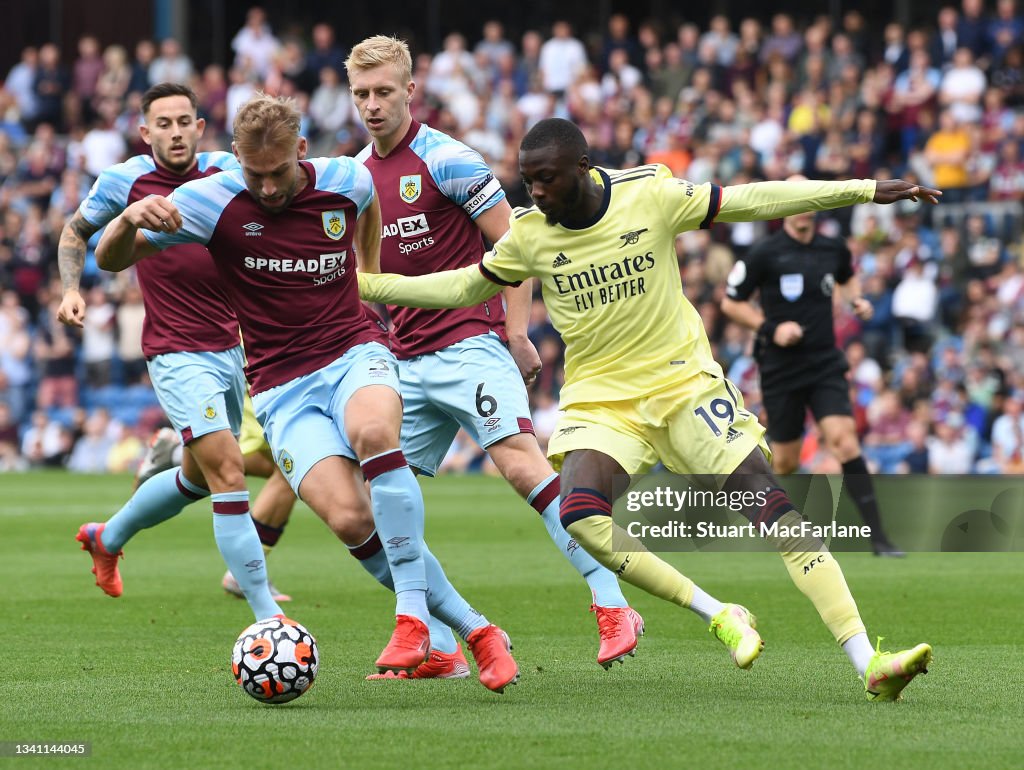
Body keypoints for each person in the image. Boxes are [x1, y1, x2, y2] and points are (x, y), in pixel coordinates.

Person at [357, 117, 936, 702]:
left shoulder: (650, 194)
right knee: (581, 514)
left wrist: (862, 190)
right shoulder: (531, 234)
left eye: (547, 180)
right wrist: (367, 285)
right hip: (603, 400)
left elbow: (752, 200)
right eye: (528, 182)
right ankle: (717, 611)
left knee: (775, 512)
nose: (536, 194)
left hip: (683, 386)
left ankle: (869, 660)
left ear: (582, 169)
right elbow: (462, 288)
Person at [95, 93, 518, 693]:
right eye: (253, 174)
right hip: (279, 387)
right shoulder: (208, 200)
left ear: (300, 150)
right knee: (349, 519)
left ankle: (412, 618)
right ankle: (479, 631)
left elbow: (367, 205)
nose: (267, 189)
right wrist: (127, 220)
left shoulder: (343, 177)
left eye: (278, 173)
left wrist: (368, 280)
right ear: (235, 158)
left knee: (375, 434)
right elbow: (111, 261)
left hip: (354, 352)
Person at [343, 34, 640, 676]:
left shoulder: (448, 159)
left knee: (519, 465)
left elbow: (516, 244)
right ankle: (449, 645)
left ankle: (612, 600)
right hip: (404, 360)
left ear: (409, 90)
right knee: (371, 508)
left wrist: (515, 332)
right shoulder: (355, 177)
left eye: (384, 92)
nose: (372, 105)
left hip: (469, 343)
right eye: (362, 94)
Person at [56, 83, 286, 623]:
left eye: (185, 121)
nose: (176, 132)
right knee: (229, 472)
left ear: (200, 127)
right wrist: (71, 288)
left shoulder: (228, 170)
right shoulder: (125, 181)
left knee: (198, 478)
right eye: (164, 123)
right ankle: (267, 618)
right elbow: (75, 232)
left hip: (233, 346)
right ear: (145, 132)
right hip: (176, 350)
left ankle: (106, 537)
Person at [720, 191, 904, 556]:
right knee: (785, 461)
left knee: (846, 441)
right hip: (780, 366)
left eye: (808, 202)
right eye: (795, 201)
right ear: (783, 206)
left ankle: (879, 538)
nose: (802, 209)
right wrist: (772, 329)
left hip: (823, 362)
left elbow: (847, 277)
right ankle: (765, 527)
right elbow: (730, 302)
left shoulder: (833, 248)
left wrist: (855, 300)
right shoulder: (764, 253)